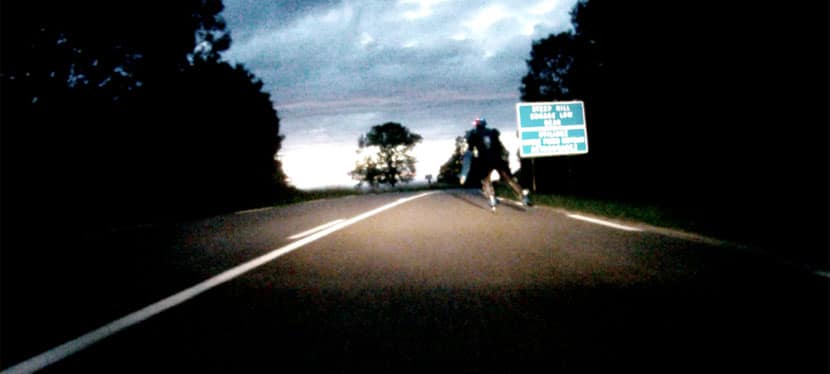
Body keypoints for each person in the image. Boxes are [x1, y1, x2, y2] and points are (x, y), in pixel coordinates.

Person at [461, 117, 531, 211]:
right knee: (508, 179)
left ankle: (492, 199)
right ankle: (524, 197)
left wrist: (465, 169)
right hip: (497, 158)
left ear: (477, 125)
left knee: (486, 180)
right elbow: (500, 146)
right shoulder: (493, 132)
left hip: (485, 160)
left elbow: (470, 150)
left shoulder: (474, 134)